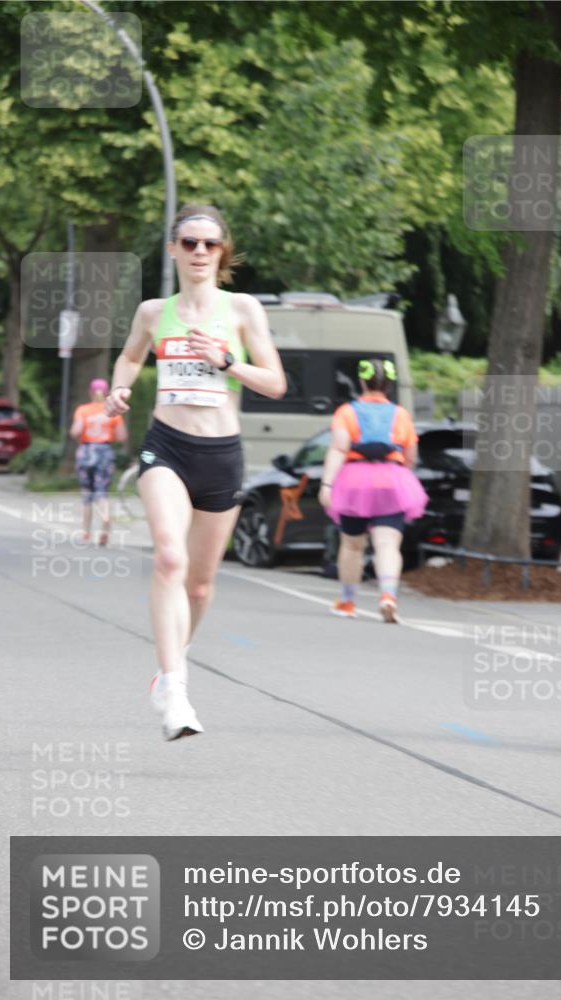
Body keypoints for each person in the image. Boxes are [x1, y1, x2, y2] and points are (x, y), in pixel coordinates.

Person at [104, 203, 286, 740]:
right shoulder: (152, 312)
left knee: (201, 587)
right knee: (168, 557)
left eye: (209, 244)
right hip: (167, 447)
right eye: (189, 243)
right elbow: (132, 358)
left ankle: (170, 664)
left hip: (221, 454)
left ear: (222, 251)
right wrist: (121, 387)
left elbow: (275, 383)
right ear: (174, 250)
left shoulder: (243, 309)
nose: (199, 252)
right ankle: (176, 691)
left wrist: (227, 361)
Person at [318, 358, 428, 623]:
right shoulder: (401, 414)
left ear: (362, 381)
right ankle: (388, 596)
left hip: (355, 482)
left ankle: (347, 601)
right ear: (389, 385)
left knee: (352, 545)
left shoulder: (347, 412)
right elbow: (411, 457)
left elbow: (338, 449)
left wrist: (327, 484)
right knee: (388, 545)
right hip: (391, 481)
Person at [70, 378, 127, 545]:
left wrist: (82, 433)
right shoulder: (113, 412)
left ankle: (86, 532)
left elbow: (76, 431)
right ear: (107, 392)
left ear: (90, 392)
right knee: (102, 492)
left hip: (86, 452)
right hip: (105, 453)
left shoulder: (83, 410)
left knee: (87, 492)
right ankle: (105, 523)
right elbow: (122, 437)